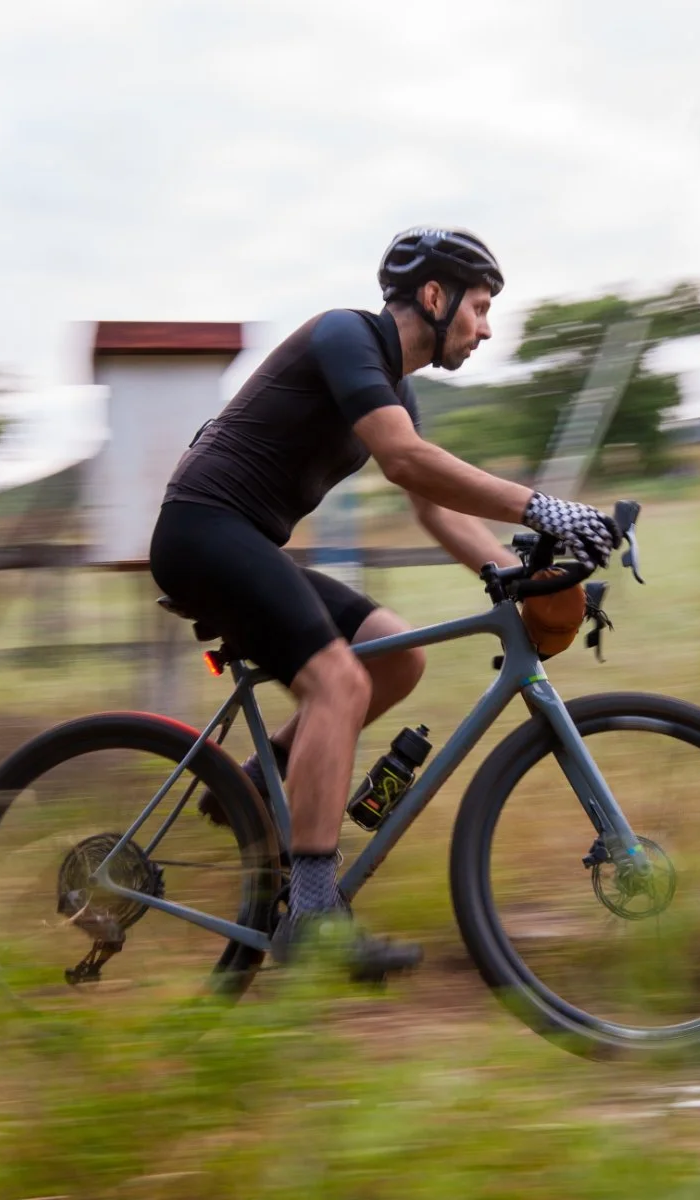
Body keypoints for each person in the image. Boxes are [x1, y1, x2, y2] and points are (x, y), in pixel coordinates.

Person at [148, 226, 620, 980]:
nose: (485, 328)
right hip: (202, 532)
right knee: (339, 681)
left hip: (243, 541)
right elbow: (405, 460)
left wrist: (525, 578)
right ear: (433, 296)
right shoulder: (346, 336)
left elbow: (433, 508)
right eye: (480, 307)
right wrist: (545, 509)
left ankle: (257, 779)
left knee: (397, 654)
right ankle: (312, 916)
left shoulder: (395, 389)